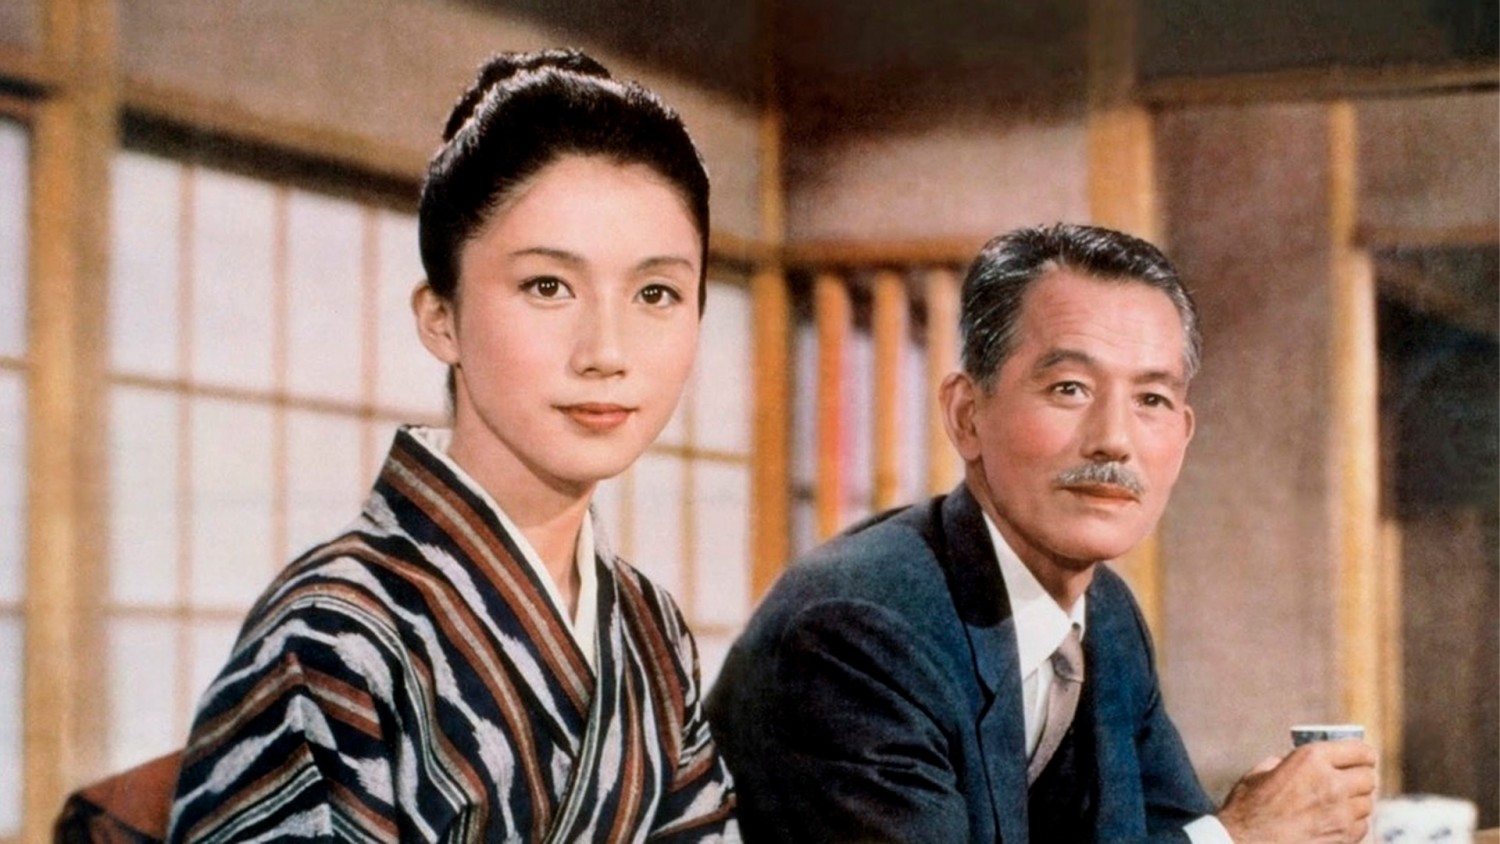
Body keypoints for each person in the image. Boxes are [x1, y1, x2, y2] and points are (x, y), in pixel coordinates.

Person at [169, 48, 738, 842]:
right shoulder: (330, 634)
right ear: (441, 318)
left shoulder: (649, 628)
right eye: (548, 286)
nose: (606, 351)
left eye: (656, 293)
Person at [707, 223, 1377, 843]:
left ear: (1184, 434)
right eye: (1070, 389)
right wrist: (1240, 836)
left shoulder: (1106, 615)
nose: (1113, 440)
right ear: (967, 415)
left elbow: (1167, 829)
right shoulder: (857, 630)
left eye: (1151, 399)